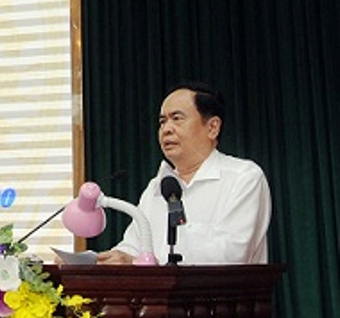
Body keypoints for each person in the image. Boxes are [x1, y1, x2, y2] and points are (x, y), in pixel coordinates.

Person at [96, 81, 272, 265]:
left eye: (177, 118)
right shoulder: (157, 187)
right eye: (162, 121)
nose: (166, 129)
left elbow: (230, 254)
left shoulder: (243, 177)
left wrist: (142, 264)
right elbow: (132, 247)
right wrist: (105, 260)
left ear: (212, 127)